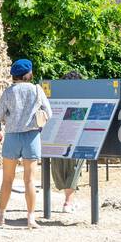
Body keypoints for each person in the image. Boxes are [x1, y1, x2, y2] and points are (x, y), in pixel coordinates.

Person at [0, 58, 51, 229]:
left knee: (7, 179)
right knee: (29, 180)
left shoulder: (9, 92)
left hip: (12, 137)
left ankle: (1, 216)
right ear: (29, 73)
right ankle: (31, 218)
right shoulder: (37, 90)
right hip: (31, 137)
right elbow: (49, 112)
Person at [50, 70, 84, 212]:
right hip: (74, 137)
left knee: (62, 168)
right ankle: (68, 203)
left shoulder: (58, 97)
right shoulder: (81, 98)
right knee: (74, 168)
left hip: (57, 137)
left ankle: (68, 201)